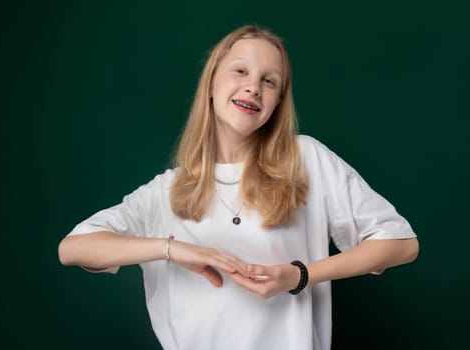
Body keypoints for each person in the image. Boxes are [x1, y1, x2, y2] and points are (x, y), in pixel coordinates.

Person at [58, 24, 419, 350]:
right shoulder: (167, 192)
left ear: (278, 103)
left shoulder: (305, 158)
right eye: (241, 71)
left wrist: (299, 275)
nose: (253, 86)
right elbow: (73, 249)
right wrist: (173, 249)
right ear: (211, 82)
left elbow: (401, 244)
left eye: (269, 81)